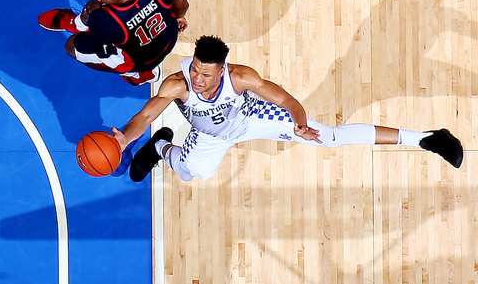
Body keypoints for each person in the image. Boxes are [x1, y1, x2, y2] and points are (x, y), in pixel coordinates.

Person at [120, 35, 465, 182]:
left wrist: (299, 124)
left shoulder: (241, 78)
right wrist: (124, 141)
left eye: (204, 73)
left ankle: (424, 139)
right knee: (191, 173)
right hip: (208, 133)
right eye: (194, 68)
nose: (196, 77)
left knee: (328, 137)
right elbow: (146, 115)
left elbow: (285, 100)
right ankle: (160, 146)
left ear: (221, 71)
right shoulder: (177, 85)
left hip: (251, 118)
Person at [39, 0, 189, 86]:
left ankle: (139, 75)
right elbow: (182, 6)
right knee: (93, 6)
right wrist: (176, 18)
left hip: (140, 61)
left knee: (71, 46)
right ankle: (76, 23)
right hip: (168, 38)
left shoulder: (105, 20)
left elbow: (102, 48)